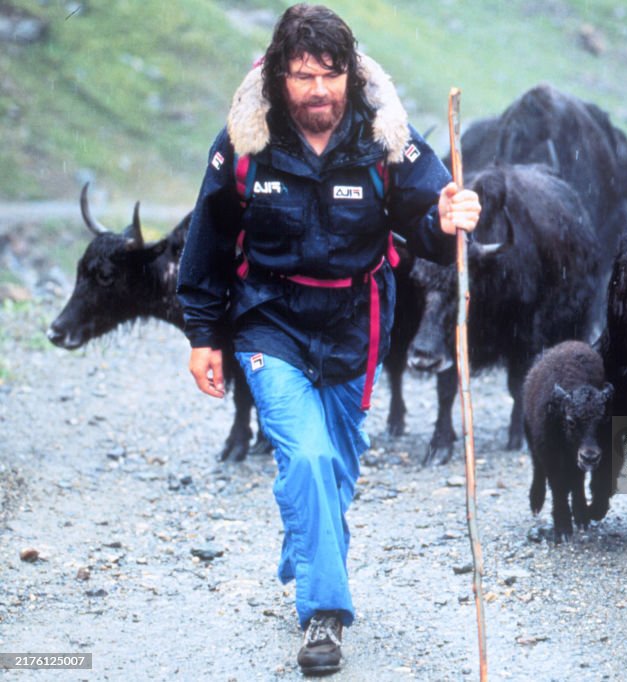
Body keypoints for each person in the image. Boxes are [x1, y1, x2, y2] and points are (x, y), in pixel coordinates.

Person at [176, 4, 480, 675]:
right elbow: (210, 239)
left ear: (350, 73)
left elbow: (428, 218)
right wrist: (204, 333)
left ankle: (306, 544)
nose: (320, 91)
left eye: (331, 75)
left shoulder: (384, 137)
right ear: (280, 76)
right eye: (304, 76)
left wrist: (451, 214)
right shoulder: (243, 143)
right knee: (308, 459)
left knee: (334, 473)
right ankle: (323, 615)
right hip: (269, 320)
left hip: (355, 322)